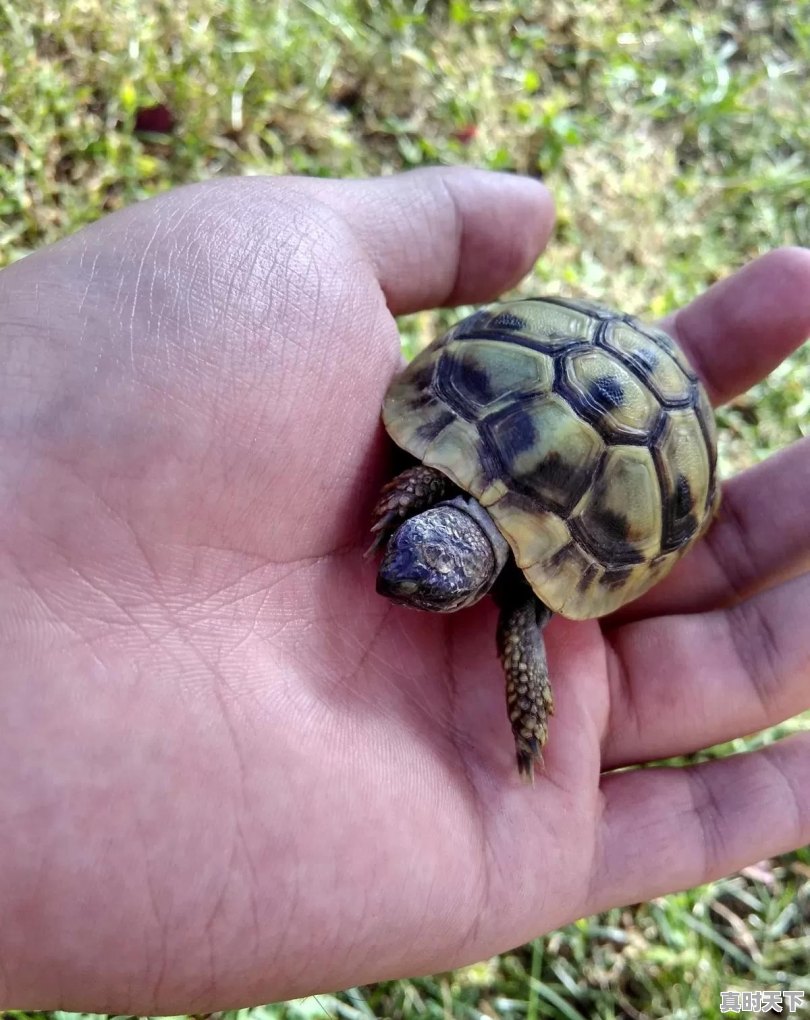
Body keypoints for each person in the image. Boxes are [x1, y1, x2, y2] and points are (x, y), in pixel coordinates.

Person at [0, 168, 807, 1013]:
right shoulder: (425, 502)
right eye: (418, 571)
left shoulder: (510, 595)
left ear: (474, 581)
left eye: (420, 581)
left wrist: (529, 723)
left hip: (614, 402)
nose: (397, 581)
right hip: (559, 374)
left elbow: (518, 640)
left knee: (523, 634)